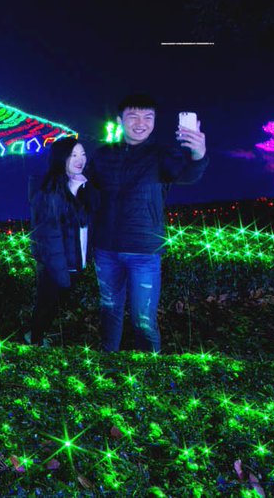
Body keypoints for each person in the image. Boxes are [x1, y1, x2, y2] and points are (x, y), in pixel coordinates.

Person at [86, 93, 207, 353]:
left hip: (144, 250)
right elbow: (86, 191)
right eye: (133, 116)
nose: (140, 123)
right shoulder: (103, 155)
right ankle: (109, 368)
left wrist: (198, 154)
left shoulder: (163, 154)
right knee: (109, 312)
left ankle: (151, 376)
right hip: (106, 249)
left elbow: (186, 175)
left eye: (148, 117)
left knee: (143, 321)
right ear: (120, 120)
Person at [25, 137, 97, 346]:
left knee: (51, 304)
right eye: (73, 155)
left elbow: (84, 220)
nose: (80, 159)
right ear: (61, 158)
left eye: (83, 154)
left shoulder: (79, 184)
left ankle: (38, 338)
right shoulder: (49, 190)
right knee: (46, 304)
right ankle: (35, 343)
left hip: (70, 261)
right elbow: (50, 231)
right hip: (53, 262)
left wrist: (80, 189)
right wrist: (60, 271)